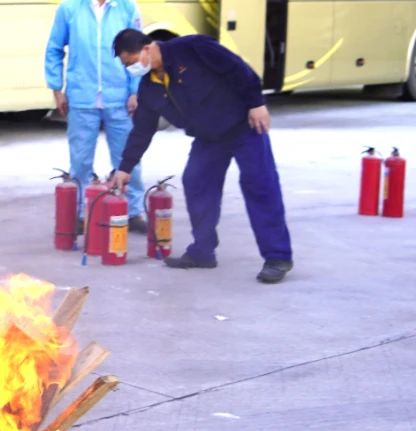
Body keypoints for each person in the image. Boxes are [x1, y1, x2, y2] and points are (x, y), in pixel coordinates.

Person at [110, 29, 294, 284]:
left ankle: (278, 257)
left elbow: (237, 68)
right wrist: (124, 168)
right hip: (209, 137)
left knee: (259, 185)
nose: (131, 68)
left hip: (244, 125)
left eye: (131, 61)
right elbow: (142, 130)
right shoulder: (150, 87)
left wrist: (256, 103)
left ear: (148, 48)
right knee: (196, 182)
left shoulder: (193, 48)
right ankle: (203, 251)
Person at [44, 0, 147, 232]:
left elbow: (139, 53)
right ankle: (80, 214)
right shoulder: (69, 9)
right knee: (80, 160)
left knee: (128, 158)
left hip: (119, 97)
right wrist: (57, 88)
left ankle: (134, 210)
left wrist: (136, 90)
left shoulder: (127, 8)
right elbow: (54, 49)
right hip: (82, 96)